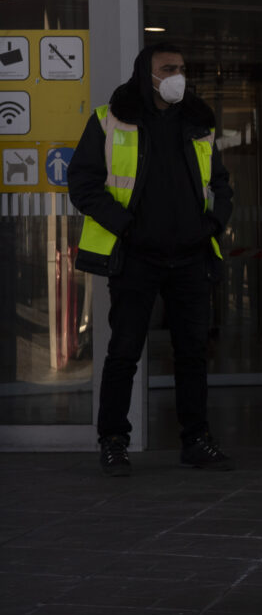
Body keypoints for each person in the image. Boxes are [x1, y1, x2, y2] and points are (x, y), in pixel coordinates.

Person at [68, 42, 235, 476]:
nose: (178, 75)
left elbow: (221, 185)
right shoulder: (111, 118)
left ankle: (196, 439)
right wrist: (127, 226)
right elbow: (83, 184)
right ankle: (113, 441)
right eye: (168, 68)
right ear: (147, 73)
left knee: (193, 353)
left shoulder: (198, 122)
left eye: (181, 67)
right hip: (135, 256)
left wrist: (212, 225)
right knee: (124, 351)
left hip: (190, 257)